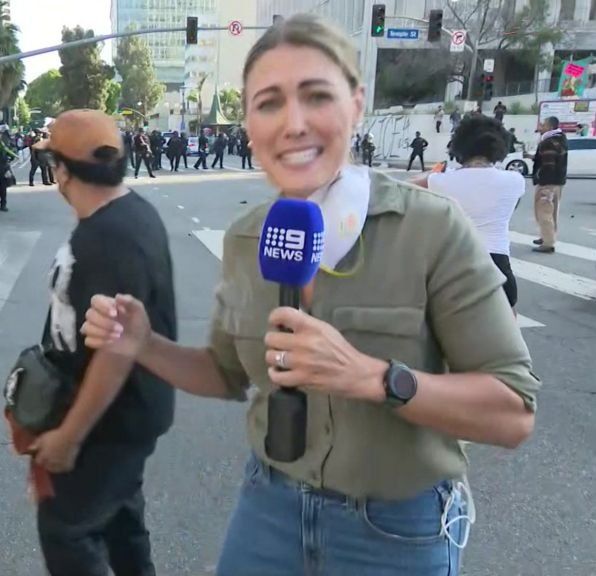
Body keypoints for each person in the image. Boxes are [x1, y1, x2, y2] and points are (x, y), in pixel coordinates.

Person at [78, 14, 540, 576]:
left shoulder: (432, 227)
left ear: (356, 105)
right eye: (268, 103)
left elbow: (512, 413)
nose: (293, 124)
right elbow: (225, 374)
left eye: (317, 96)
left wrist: (373, 377)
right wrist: (143, 345)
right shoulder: (246, 238)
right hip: (268, 512)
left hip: (396, 530)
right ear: (250, 125)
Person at [19, 109, 176, 576]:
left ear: (63, 171)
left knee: (67, 532)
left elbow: (115, 352)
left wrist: (69, 436)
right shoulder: (127, 214)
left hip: (108, 423)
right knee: (122, 527)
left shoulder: (109, 238)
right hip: (124, 416)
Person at [421, 115, 525, 314]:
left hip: (454, 263)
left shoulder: (440, 181)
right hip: (497, 264)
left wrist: (435, 172)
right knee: (507, 327)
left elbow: (404, 188)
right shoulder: (515, 180)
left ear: (459, 145)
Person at [531, 116, 568, 254]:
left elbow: (549, 163)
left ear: (550, 127)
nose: (540, 127)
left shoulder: (548, 142)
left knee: (544, 212)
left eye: (543, 125)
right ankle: (548, 236)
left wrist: (542, 179)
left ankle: (548, 243)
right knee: (552, 212)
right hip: (558, 181)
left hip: (548, 182)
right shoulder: (560, 139)